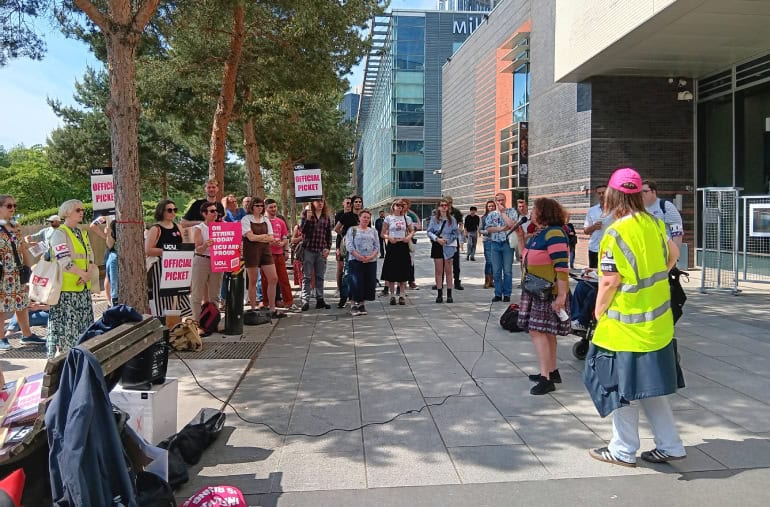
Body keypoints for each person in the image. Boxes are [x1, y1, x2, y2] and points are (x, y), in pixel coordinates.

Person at [584, 167, 686, 467]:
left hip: (624, 326)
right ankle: (670, 444)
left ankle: (622, 449)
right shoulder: (654, 223)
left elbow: (609, 281)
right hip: (657, 323)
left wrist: (598, 310)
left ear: (614, 195)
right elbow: (673, 256)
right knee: (650, 388)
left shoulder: (615, 232)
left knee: (621, 388)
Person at [518, 198, 571, 395]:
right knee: (546, 332)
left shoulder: (555, 233)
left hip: (548, 292)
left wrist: (562, 295)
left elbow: (562, 267)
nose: (531, 212)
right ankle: (551, 370)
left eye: (534, 209)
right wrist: (520, 236)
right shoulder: (540, 234)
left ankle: (545, 378)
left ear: (544, 212)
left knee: (538, 331)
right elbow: (525, 257)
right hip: (536, 289)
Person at [47, 199, 98, 358]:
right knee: (68, 330)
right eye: (77, 210)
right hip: (66, 291)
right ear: (67, 212)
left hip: (82, 289)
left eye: (82, 209)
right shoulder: (59, 233)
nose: (82, 212)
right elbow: (63, 260)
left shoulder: (82, 233)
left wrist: (88, 273)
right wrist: (82, 274)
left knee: (83, 329)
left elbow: (90, 256)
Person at [0, 195, 44, 350]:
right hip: (3, 272)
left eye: (14, 206)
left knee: (21, 304)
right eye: (9, 206)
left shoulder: (15, 225)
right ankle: (1, 338)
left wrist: (28, 267)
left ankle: (27, 335)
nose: (13, 209)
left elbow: (22, 248)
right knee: (1, 307)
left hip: (17, 272)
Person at [145, 200, 192, 319]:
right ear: (162, 211)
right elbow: (148, 250)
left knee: (179, 296)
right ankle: (163, 323)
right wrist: (167, 250)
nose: (173, 213)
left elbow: (182, 247)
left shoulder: (178, 227)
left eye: (174, 210)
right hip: (160, 267)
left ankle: (177, 323)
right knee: (163, 297)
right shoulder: (156, 229)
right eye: (169, 210)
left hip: (176, 267)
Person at [241, 197, 284, 319]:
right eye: (257, 205)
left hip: (265, 251)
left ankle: (272, 307)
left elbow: (271, 238)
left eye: (261, 206)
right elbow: (250, 237)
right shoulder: (246, 219)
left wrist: (259, 237)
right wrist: (264, 236)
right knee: (253, 280)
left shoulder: (265, 219)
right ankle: (253, 308)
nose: (260, 207)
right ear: (252, 207)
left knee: (273, 278)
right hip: (251, 252)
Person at [262, 199, 299, 312]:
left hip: (279, 254)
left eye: (275, 207)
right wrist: (269, 242)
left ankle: (289, 302)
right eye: (271, 207)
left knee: (284, 279)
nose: (273, 209)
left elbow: (285, 236)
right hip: (267, 255)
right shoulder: (262, 221)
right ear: (266, 208)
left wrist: (284, 245)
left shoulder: (280, 221)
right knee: (266, 280)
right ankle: (267, 303)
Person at [190, 202, 223, 322]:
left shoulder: (221, 227)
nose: (215, 213)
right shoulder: (199, 228)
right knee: (197, 294)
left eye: (216, 211)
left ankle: (214, 321)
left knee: (215, 294)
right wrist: (205, 245)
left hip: (217, 261)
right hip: (202, 260)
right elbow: (197, 248)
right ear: (204, 214)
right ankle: (197, 322)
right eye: (212, 211)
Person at [483, 192, 519, 302]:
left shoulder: (511, 211)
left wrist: (503, 213)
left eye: (502, 200)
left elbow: (512, 225)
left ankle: (507, 293)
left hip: (507, 243)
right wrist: (500, 229)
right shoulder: (491, 214)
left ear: (505, 200)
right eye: (498, 200)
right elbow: (488, 229)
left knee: (507, 270)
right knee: (496, 270)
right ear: (495, 201)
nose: (500, 202)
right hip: (495, 243)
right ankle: (498, 293)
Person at [300, 198, 332, 311]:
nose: (320, 203)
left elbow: (328, 234)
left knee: (320, 276)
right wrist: (308, 219)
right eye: (318, 201)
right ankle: (305, 300)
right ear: (312, 203)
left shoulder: (326, 217)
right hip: (309, 249)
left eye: (322, 201)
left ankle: (320, 298)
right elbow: (303, 231)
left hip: (321, 250)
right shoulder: (306, 213)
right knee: (307, 276)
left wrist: (328, 248)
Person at [345, 209, 379, 316]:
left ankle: (362, 304)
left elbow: (377, 246)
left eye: (368, 218)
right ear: (359, 218)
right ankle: (353, 305)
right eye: (364, 217)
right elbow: (349, 245)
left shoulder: (373, 231)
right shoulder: (352, 230)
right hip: (355, 260)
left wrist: (370, 257)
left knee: (367, 282)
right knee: (355, 282)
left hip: (370, 261)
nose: (366, 219)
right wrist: (359, 257)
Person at [380, 200, 414, 305]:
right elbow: (382, 233)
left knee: (403, 269)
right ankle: (392, 295)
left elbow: (412, 231)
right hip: (392, 245)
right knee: (391, 270)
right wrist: (388, 237)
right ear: (393, 206)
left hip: (402, 245)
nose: (399, 207)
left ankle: (402, 295)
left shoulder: (407, 218)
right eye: (397, 205)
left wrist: (408, 237)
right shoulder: (388, 218)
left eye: (401, 205)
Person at [427, 199, 459, 303]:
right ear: (438, 207)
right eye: (442, 205)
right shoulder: (434, 219)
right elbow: (429, 232)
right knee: (439, 271)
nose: (444, 207)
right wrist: (437, 239)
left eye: (446, 205)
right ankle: (439, 294)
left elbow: (455, 232)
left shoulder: (452, 219)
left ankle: (449, 294)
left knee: (449, 271)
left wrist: (448, 240)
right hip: (437, 244)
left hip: (448, 245)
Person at [335, 195, 362, 308]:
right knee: (346, 274)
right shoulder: (346, 216)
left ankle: (356, 298)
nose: (358, 204)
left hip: (361, 249)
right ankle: (343, 297)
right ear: (351, 204)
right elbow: (336, 228)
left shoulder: (363, 216)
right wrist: (344, 236)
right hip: (349, 249)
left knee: (359, 275)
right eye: (356, 202)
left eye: (360, 202)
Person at [642, 180, 684, 247]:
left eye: (645, 191)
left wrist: (673, 254)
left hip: (663, 252)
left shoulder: (666, 206)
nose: (642, 194)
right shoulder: (638, 209)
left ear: (653, 192)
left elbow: (677, 232)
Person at [89, 215, 118, 306]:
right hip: (112, 248)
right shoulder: (107, 217)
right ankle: (110, 300)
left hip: (114, 247)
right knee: (109, 275)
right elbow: (93, 225)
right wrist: (106, 236)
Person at [583, 184, 611, 268]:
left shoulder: (617, 210)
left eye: (604, 193)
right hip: (594, 248)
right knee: (593, 275)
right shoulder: (592, 210)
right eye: (599, 193)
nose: (601, 195)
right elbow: (586, 231)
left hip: (610, 249)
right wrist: (594, 227)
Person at [334, 197, 352, 295]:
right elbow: (337, 228)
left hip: (353, 244)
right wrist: (343, 235)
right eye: (347, 203)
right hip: (341, 243)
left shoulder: (354, 214)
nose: (349, 205)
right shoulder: (340, 214)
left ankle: (349, 288)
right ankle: (338, 288)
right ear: (343, 203)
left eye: (350, 203)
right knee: (340, 266)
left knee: (350, 266)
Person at [445, 196, 464, 290]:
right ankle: (439, 281)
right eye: (446, 203)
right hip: (442, 239)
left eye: (450, 203)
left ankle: (457, 281)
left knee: (456, 262)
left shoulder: (456, 212)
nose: (448, 205)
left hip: (453, 238)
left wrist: (458, 232)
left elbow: (460, 224)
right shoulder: (439, 212)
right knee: (442, 261)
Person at [403, 199, 421, 290]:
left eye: (405, 204)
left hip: (410, 240)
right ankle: (401, 282)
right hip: (399, 241)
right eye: (401, 204)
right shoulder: (395, 215)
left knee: (411, 261)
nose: (403, 206)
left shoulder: (411, 215)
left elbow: (416, 227)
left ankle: (411, 281)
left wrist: (410, 235)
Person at [479, 200, 496, 289]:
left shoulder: (498, 216)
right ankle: (487, 281)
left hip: (496, 241)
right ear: (487, 207)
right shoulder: (483, 218)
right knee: (489, 261)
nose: (491, 208)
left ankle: (492, 281)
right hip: (487, 241)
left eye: (492, 206)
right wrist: (488, 231)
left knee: (494, 262)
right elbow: (480, 229)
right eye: (489, 206)